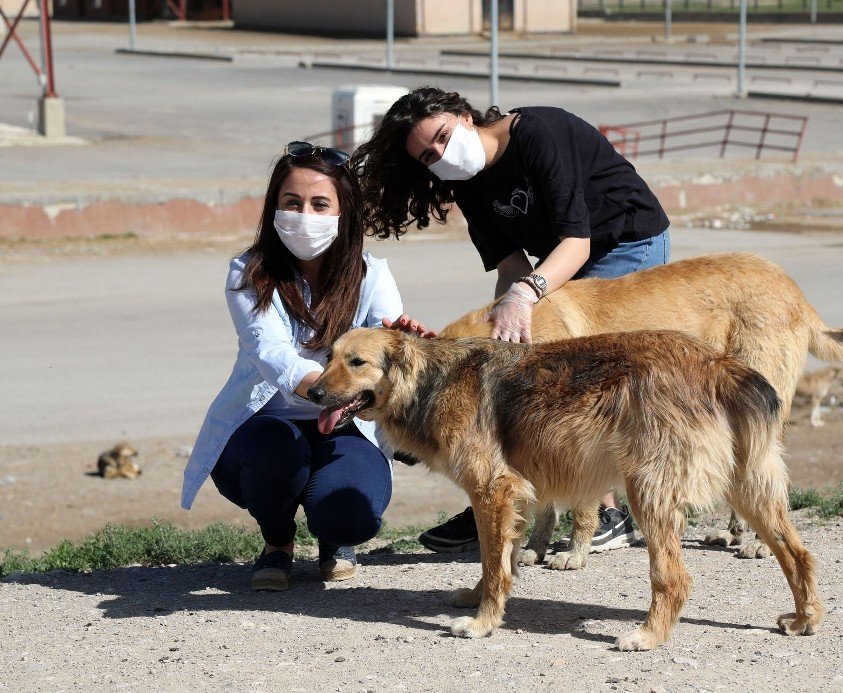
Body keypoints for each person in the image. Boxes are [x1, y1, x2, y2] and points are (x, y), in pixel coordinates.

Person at [351, 87, 671, 556]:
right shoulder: (464, 181)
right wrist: (497, 333)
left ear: (465, 116)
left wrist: (525, 295)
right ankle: (500, 491)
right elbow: (510, 266)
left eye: (442, 136)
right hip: (560, 259)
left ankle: (607, 510)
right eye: (428, 156)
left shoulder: (537, 134)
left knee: (586, 371)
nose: (440, 154)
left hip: (623, 241)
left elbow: (576, 244)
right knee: (522, 367)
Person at [181, 142, 433, 591]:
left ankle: (335, 537)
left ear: (344, 212)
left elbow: (388, 348)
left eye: (320, 204)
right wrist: (328, 389)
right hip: (264, 428)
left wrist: (408, 343)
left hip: (349, 427)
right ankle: (277, 540)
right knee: (276, 452)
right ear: (273, 207)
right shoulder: (248, 272)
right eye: (292, 202)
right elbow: (270, 351)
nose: (304, 215)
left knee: (349, 516)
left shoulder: (372, 275)